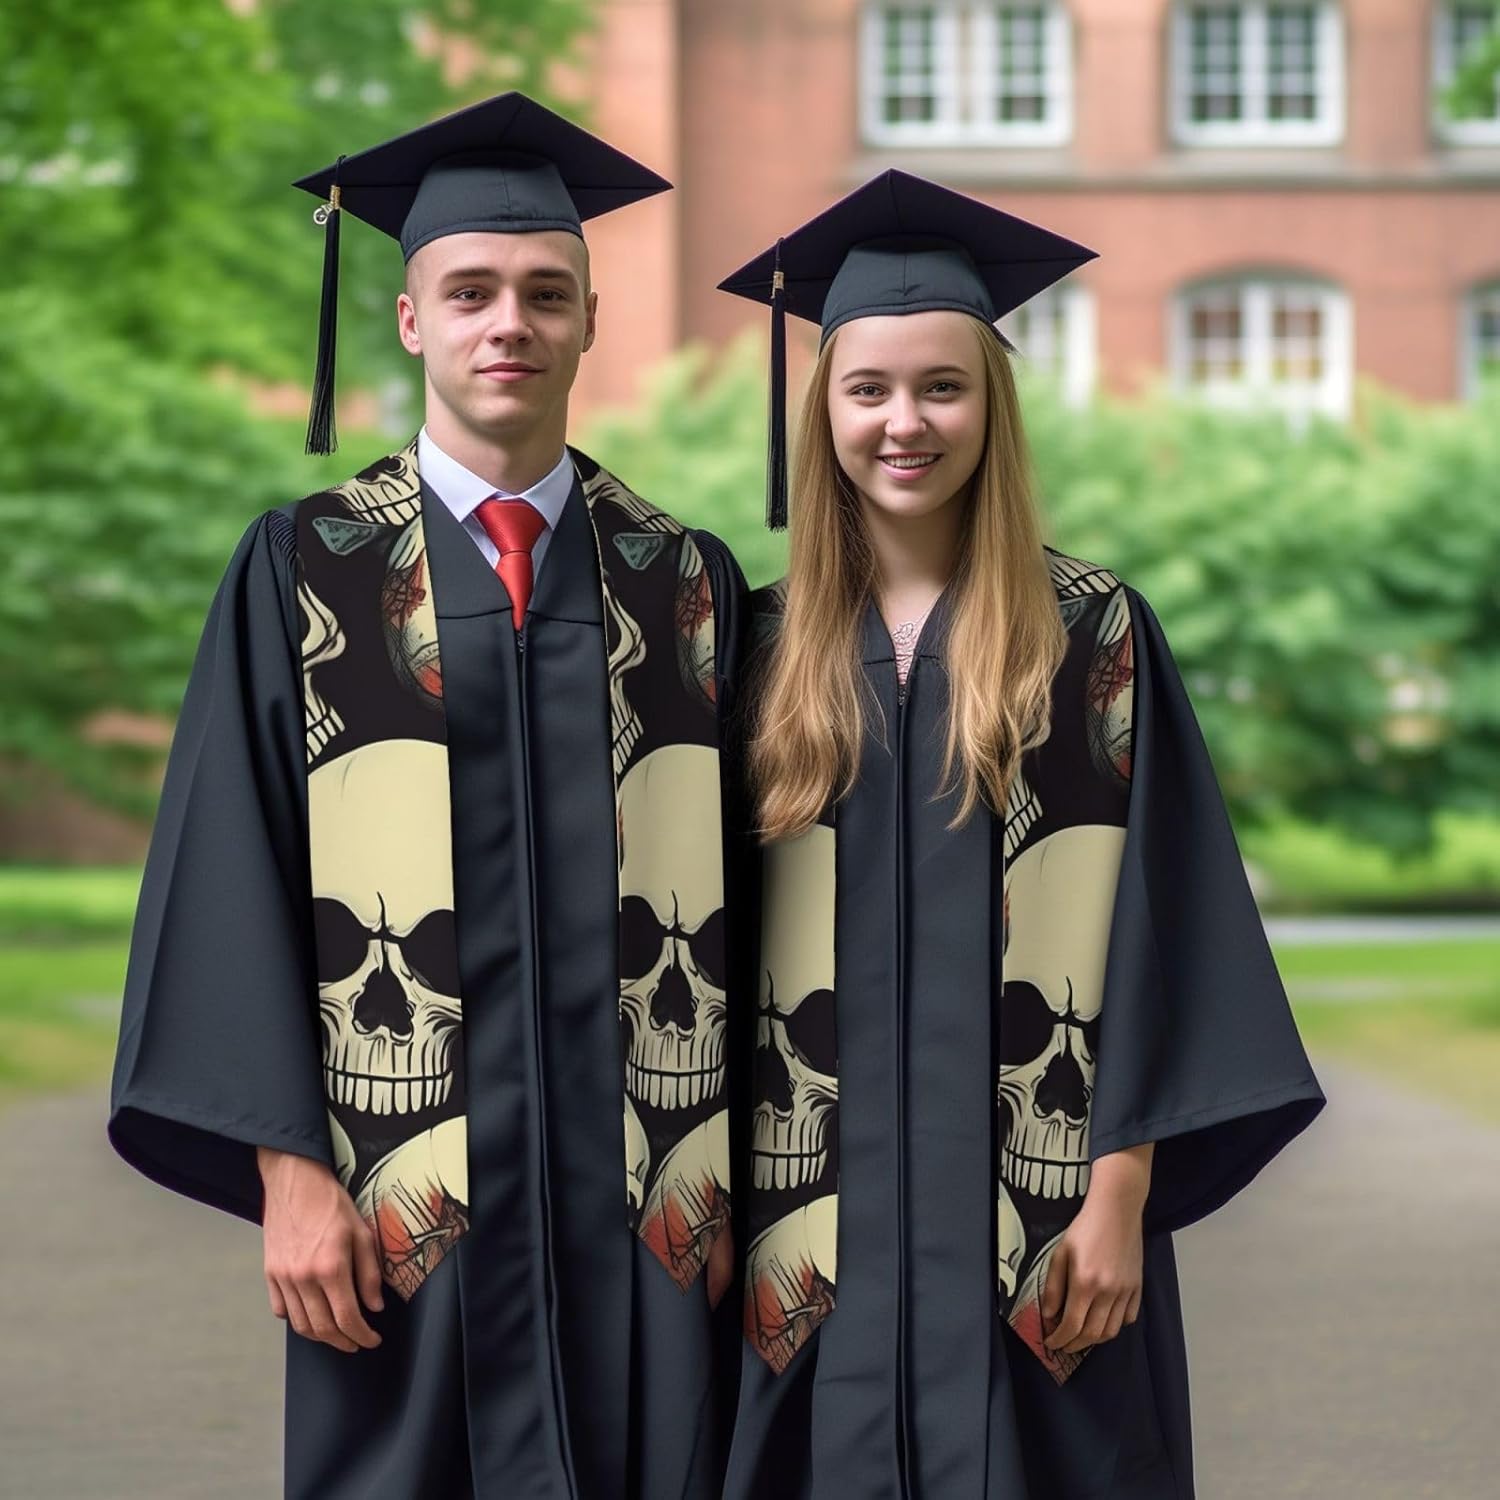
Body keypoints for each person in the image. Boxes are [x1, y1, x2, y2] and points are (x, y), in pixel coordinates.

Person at [109, 92, 746, 1500]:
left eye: (544, 293)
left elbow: (769, 909)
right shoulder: (309, 571)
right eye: (470, 293)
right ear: (410, 320)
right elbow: (229, 873)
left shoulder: (684, 587)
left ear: (590, 320)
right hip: (404, 1199)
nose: (508, 323)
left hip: (649, 1205)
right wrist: (287, 1173)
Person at [716, 170, 1325, 1499]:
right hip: (801, 1242)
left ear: (993, 407)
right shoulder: (752, 650)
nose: (905, 422)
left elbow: (1167, 929)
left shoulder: (1094, 641)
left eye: (943, 387)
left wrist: (1119, 1196)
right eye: (868, 389)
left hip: (1043, 1233)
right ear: (821, 412)